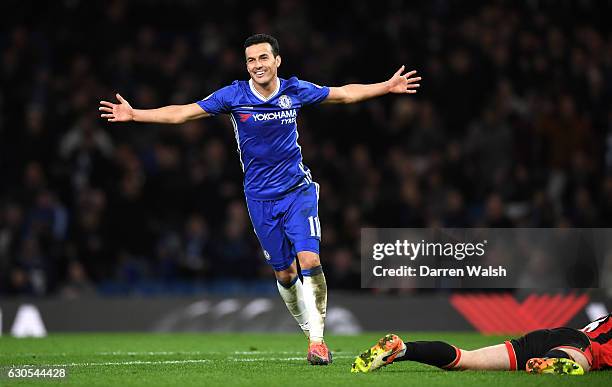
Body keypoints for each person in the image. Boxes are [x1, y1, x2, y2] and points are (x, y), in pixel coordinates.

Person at [99, 33, 421, 365]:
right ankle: (309, 329)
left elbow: (343, 94)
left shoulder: (294, 90)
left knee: (308, 259)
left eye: (263, 58)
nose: (257, 65)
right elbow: (183, 113)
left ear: (277, 60)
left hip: (298, 192)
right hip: (259, 200)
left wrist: (385, 86)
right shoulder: (234, 95)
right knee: (284, 274)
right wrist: (136, 114)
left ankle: (317, 341)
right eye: (251, 60)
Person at [351, 313, 612, 374]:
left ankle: (403, 348)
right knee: (582, 362)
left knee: (467, 360)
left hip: (551, 335)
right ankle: (555, 362)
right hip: (579, 344)